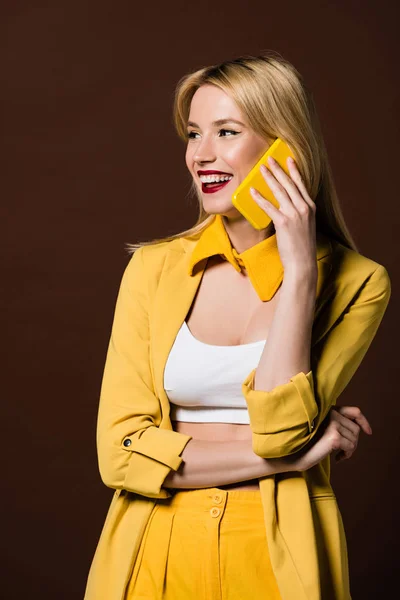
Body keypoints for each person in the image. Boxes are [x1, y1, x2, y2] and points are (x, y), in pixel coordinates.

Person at [84, 53, 391, 600]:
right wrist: (296, 456)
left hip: (276, 546)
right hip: (153, 539)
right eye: (194, 134)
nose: (201, 155)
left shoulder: (358, 284)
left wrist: (299, 274)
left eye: (227, 132)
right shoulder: (152, 270)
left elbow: (281, 428)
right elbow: (121, 453)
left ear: (285, 146)